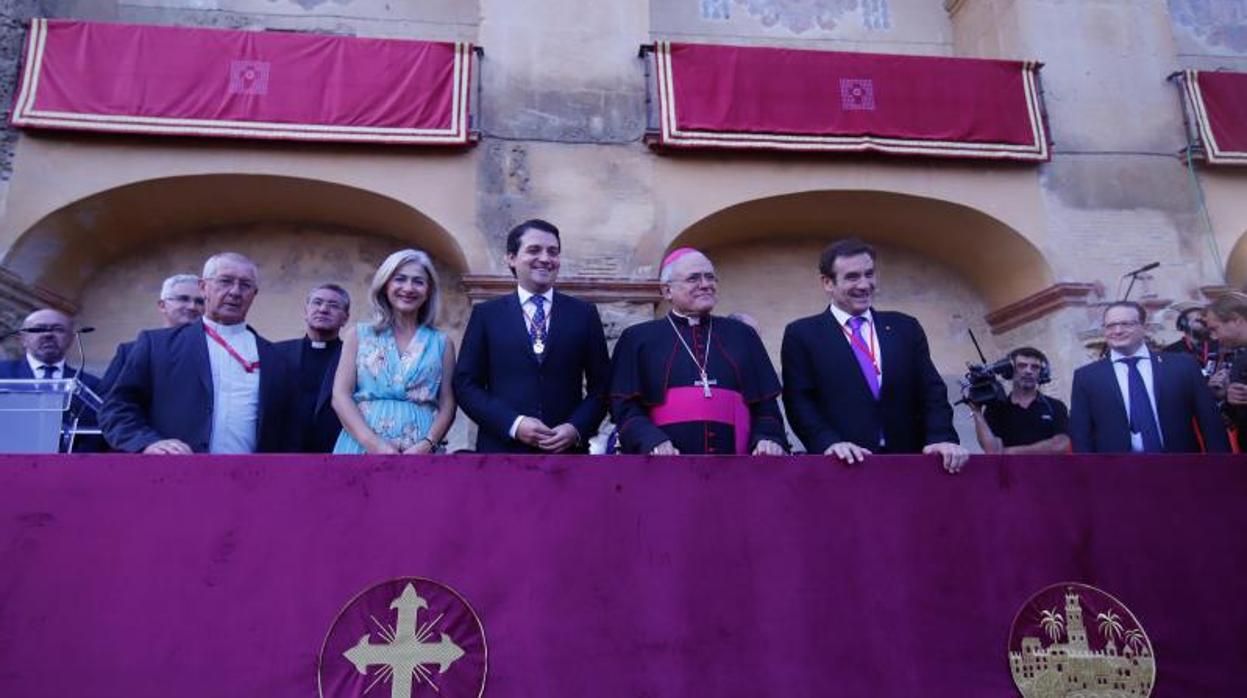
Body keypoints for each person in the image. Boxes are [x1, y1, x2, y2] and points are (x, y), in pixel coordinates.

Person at [781, 238, 967, 472]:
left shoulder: (905, 328)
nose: (864, 284)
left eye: (869, 274)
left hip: (910, 464)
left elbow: (932, 391)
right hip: (842, 466)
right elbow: (799, 402)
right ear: (827, 283)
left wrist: (941, 437)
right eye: (852, 277)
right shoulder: (802, 334)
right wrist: (829, 443)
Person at [100, 252, 290, 454]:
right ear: (203, 287)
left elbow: (289, 428)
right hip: (172, 475)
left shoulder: (274, 358)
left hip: (253, 478)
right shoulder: (156, 345)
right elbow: (117, 408)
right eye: (225, 281)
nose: (235, 292)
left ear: (254, 294)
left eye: (245, 285)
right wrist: (147, 443)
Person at [610, 247, 787, 455]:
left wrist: (767, 437)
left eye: (710, 277)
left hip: (737, 466)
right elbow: (624, 407)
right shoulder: (638, 339)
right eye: (693, 279)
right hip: (663, 466)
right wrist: (650, 440)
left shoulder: (743, 335)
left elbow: (766, 405)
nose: (705, 285)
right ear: (667, 291)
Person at [453, 219, 610, 453]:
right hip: (502, 452)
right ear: (511, 258)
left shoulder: (583, 314)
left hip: (567, 456)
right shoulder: (487, 315)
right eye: (534, 250)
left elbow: (603, 386)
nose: (545, 258)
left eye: (553, 252)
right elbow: (465, 384)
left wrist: (576, 428)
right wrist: (514, 424)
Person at [332, 249, 456, 454]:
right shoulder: (358, 335)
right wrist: (373, 444)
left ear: (428, 290)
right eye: (400, 279)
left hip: (422, 451)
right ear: (385, 285)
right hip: (361, 445)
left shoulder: (441, 343)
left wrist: (428, 443)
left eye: (418, 281)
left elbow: (448, 403)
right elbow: (340, 395)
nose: (408, 288)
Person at [1069, 301, 1229, 453]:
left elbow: (1210, 422)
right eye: (1110, 325)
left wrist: (1222, 469)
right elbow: (1081, 435)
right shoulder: (1087, 377)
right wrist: (1088, 477)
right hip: (1118, 474)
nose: (1117, 331)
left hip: (1181, 468)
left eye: (1126, 324)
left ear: (1143, 327)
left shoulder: (1182, 366)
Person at [0, 308, 104, 452]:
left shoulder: (92, 385)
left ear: (71, 339)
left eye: (58, 329)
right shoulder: (3, 375)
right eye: (38, 329)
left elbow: (97, 436)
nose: (48, 334)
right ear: (22, 339)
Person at [98, 273, 203, 396]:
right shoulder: (129, 352)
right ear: (162, 306)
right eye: (183, 299)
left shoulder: (213, 351)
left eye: (200, 301)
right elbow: (106, 402)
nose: (192, 306)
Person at [277, 284, 350, 453]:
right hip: (285, 454)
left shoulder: (355, 357)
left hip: (337, 451)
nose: (323, 309)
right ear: (306, 311)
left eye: (333, 306)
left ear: (345, 318)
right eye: (317, 303)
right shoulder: (276, 353)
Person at [969, 347, 1070, 454]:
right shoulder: (996, 409)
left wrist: (1011, 452)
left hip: (1048, 470)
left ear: (1042, 373)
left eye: (1035, 367)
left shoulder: (1055, 406)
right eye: (1022, 366)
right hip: (1010, 471)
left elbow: (1061, 445)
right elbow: (992, 451)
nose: (1028, 371)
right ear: (1009, 371)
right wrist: (977, 412)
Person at [1204, 292, 1247, 452]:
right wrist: (1223, 397)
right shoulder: (1239, 356)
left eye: (1215, 328)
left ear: (1236, 320)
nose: (1213, 337)